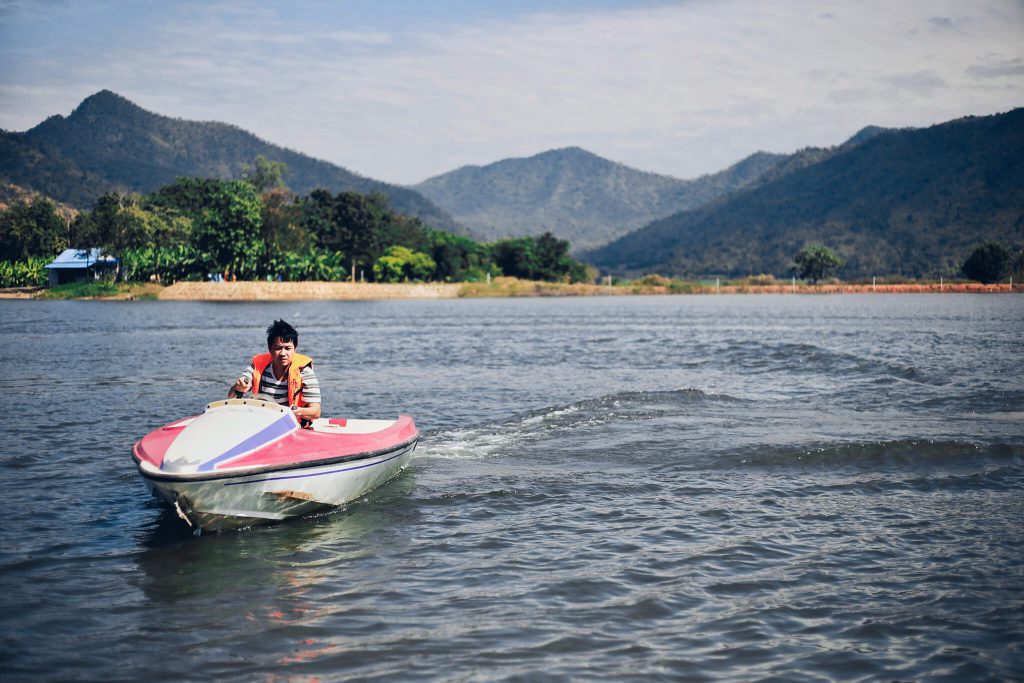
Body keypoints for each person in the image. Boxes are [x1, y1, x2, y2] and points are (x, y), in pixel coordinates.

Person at [230, 319, 321, 425]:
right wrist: (238, 387)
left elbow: (316, 411)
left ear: (294, 349)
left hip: (292, 425)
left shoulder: (305, 372)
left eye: (288, 348)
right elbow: (231, 396)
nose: (283, 353)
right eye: (278, 348)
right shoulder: (257, 366)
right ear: (270, 348)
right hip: (262, 422)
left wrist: (298, 411)